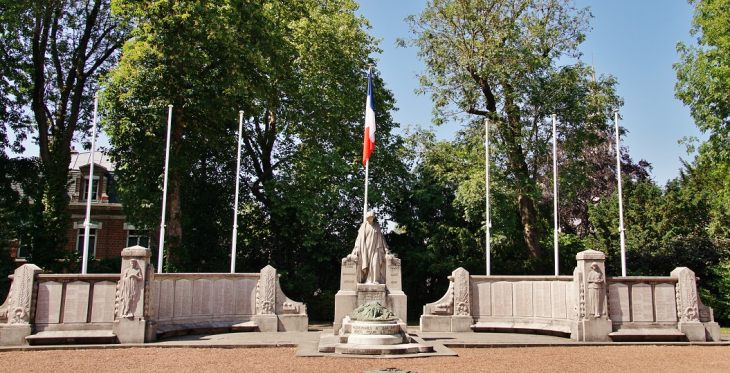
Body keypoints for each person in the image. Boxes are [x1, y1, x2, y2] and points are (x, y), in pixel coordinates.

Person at [348, 211, 389, 284]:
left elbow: (381, 238)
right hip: (365, 249)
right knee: (365, 264)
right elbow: (359, 238)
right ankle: (366, 280)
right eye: (369, 217)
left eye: (372, 217)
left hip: (376, 248)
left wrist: (385, 248)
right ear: (367, 218)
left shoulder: (377, 226)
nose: (370, 219)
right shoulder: (364, 226)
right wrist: (356, 248)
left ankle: (375, 280)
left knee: (375, 263)